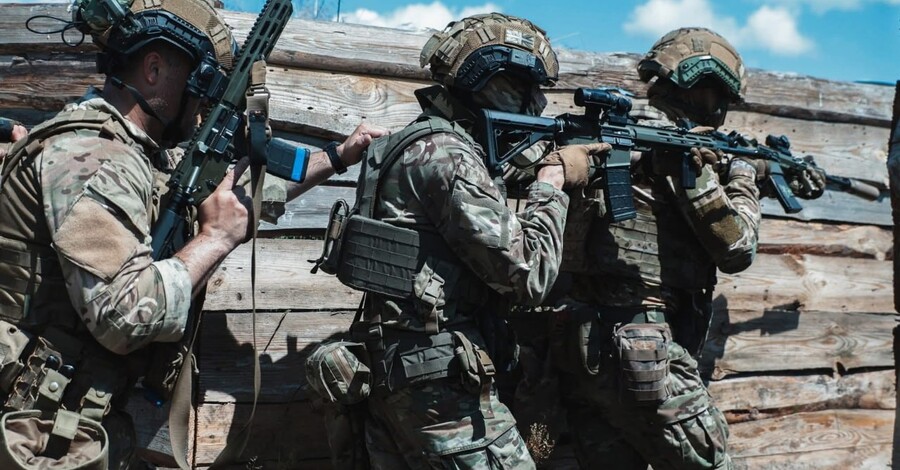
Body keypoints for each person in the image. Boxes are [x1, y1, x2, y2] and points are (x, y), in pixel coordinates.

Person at [0, 1, 383, 468]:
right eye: (202, 80)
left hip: (63, 422)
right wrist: (216, 237)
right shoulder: (93, 157)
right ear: (153, 69)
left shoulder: (142, 159)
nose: (205, 102)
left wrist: (338, 156)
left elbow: (246, 198)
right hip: (33, 431)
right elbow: (124, 316)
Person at [308, 12, 610, 470]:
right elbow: (529, 276)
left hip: (404, 368)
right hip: (441, 392)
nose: (538, 103)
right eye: (525, 87)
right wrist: (550, 183)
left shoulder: (422, 143)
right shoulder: (449, 156)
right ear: (486, 81)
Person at [517, 27, 765, 470]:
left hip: (574, 342)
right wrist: (744, 178)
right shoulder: (678, 148)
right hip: (641, 348)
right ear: (710, 89)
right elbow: (737, 248)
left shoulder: (607, 137)